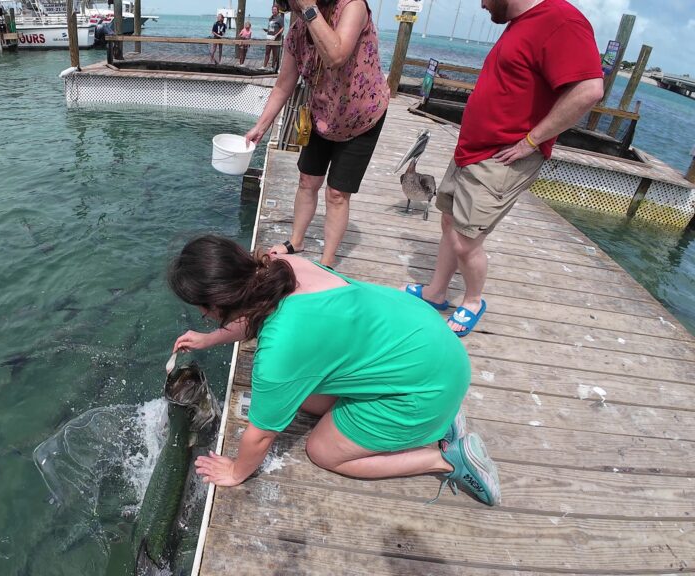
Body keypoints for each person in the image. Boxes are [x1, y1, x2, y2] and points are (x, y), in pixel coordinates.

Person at [169, 235, 500, 506]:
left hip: (425, 390)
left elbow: (262, 434)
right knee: (304, 397)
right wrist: (211, 338)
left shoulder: (280, 350)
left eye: (202, 311)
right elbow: (254, 312)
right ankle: (439, 421)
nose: (203, 315)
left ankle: (446, 458)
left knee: (323, 451)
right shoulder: (280, 267)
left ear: (218, 302)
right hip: (434, 350)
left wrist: (236, 472)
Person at [407, 0, 604, 337]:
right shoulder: (519, 23)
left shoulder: (560, 19)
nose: (481, 4)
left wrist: (532, 141)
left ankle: (472, 301)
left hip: (502, 157)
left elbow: (589, 89)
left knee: (468, 241)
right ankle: (436, 293)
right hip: (471, 150)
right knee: (449, 221)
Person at [246, 0, 389, 270]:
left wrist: (309, 9)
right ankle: (296, 241)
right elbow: (283, 84)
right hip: (322, 114)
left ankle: (327, 261)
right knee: (307, 180)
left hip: (362, 117)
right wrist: (261, 126)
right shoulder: (298, 29)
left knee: (336, 193)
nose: (293, 9)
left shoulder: (353, 6)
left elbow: (336, 55)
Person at [262, 4, 285, 69]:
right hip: (269, 37)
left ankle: (273, 67)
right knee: (267, 52)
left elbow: (282, 28)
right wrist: (266, 30)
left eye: (275, 9)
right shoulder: (271, 18)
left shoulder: (280, 18)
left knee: (275, 53)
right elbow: (271, 27)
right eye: (273, 9)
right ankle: (264, 66)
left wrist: (277, 34)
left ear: (277, 10)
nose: (273, 11)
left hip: (276, 38)